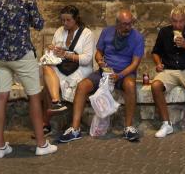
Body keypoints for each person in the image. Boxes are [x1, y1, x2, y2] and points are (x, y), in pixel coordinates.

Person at [0, 0, 56, 158]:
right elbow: (39, 24)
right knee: (34, 95)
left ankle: (0, 147)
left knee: (1, 97)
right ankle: (41, 144)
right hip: (21, 53)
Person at [59, 8, 144, 144]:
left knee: (130, 85)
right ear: (117, 23)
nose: (128, 27)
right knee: (82, 86)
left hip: (125, 73)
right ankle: (75, 129)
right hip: (104, 72)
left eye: (130, 23)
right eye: (124, 24)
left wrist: (119, 75)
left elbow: (135, 64)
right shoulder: (107, 32)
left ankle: (128, 127)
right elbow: (98, 53)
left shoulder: (138, 37)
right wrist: (100, 61)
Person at [151, 6, 185, 141]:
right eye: (175, 21)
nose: (178, 25)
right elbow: (155, 52)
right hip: (169, 70)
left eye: (181, 21)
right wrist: (158, 63)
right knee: (155, 85)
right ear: (171, 21)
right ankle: (166, 124)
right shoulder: (164, 32)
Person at [41, 5, 94, 128]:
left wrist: (66, 54)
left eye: (68, 20)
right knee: (46, 69)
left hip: (81, 69)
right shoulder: (60, 31)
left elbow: (86, 59)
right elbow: (55, 52)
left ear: (76, 19)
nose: (65, 23)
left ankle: (47, 123)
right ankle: (56, 102)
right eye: (62, 20)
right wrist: (53, 49)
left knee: (48, 86)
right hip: (62, 66)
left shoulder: (87, 34)